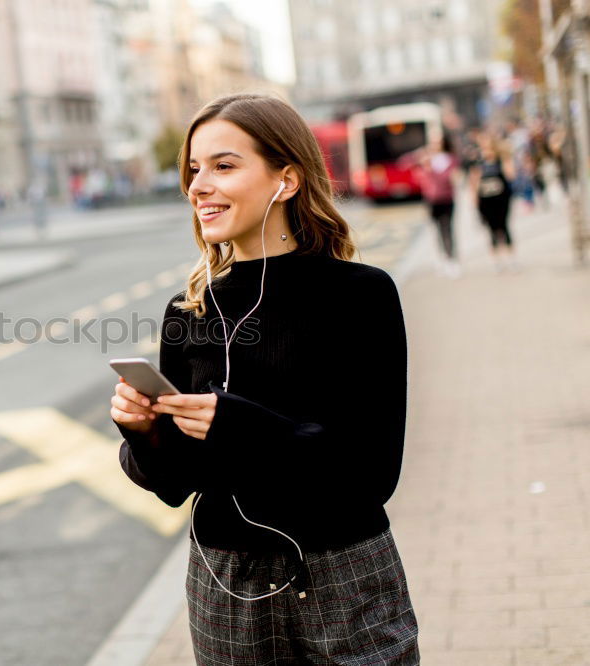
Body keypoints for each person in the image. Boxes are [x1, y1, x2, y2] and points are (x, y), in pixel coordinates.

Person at [110, 93, 419, 664]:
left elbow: (373, 473)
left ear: (288, 179)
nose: (199, 185)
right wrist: (143, 433)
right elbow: (175, 484)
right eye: (194, 170)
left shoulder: (360, 295)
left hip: (341, 570)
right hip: (226, 582)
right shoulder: (189, 311)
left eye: (224, 166)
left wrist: (239, 425)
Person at [400, 134, 461, 278]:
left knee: (447, 229)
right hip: (431, 200)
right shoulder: (426, 158)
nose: (435, 145)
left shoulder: (450, 159)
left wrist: (431, 169)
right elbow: (403, 162)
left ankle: (452, 260)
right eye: (433, 143)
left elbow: (450, 179)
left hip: (447, 199)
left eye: (438, 143)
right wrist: (419, 156)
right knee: (436, 230)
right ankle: (441, 260)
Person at [469, 132, 519, 273]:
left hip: (501, 199)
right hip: (486, 200)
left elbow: (511, 175)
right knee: (491, 229)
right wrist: (474, 197)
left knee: (504, 226)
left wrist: (505, 157)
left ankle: (511, 258)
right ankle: (496, 260)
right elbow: (474, 180)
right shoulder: (477, 161)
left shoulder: (500, 159)